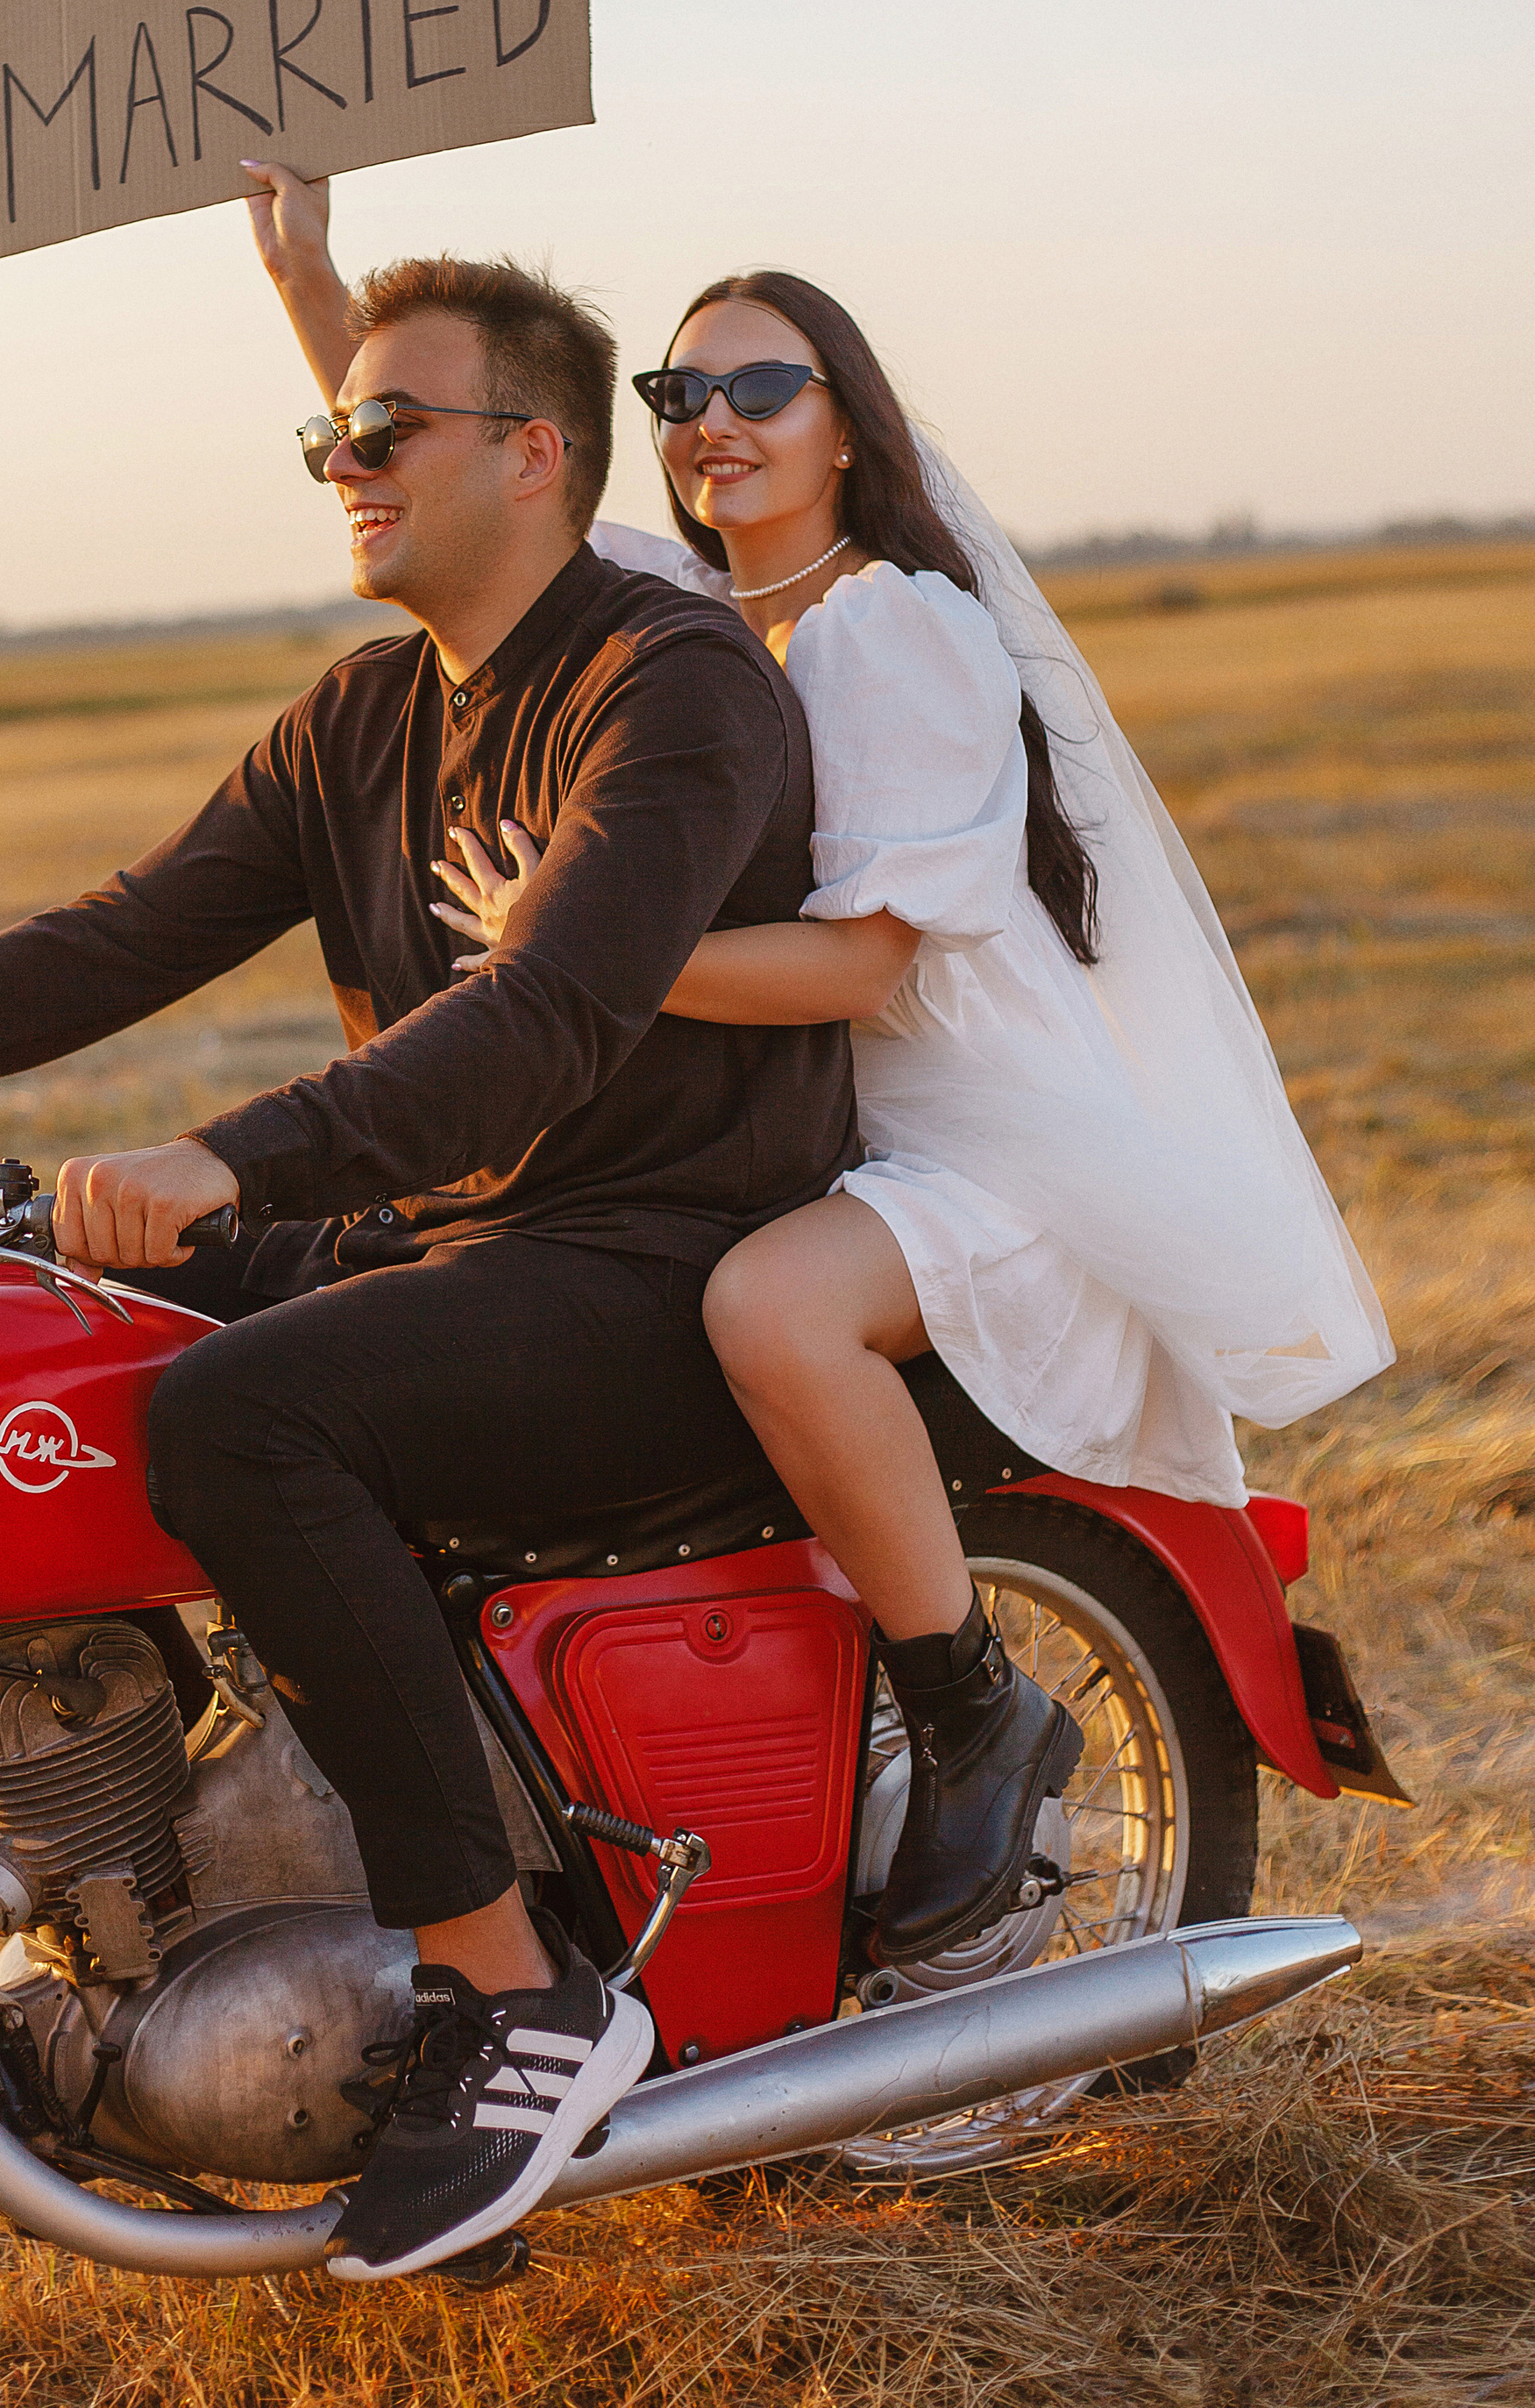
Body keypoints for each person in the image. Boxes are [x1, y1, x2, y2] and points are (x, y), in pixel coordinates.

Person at [0, 253, 867, 2281]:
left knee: (244, 1411)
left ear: (534, 453)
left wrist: (231, 1156)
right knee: (33, 1327)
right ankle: (152, 1880)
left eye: (382, 432)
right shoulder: (365, 712)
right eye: (326, 436)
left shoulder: (670, 684)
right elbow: (126, 933)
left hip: (659, 1252)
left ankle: (509, 1993)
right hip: (456, 1243)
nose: (340, 464)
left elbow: (540, 1021)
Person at [244, 165, 1393, 1972]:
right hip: (797, 1120)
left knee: (769, 1311)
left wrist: (571, 950)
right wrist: (306, 278)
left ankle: (968, 1703)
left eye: (760, 387)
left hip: (970, 1132)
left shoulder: (896, 627)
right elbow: (461, 458)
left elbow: (864, 966)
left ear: (845, 422)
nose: (712, 421)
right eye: (679, 392)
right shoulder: (669, 603)